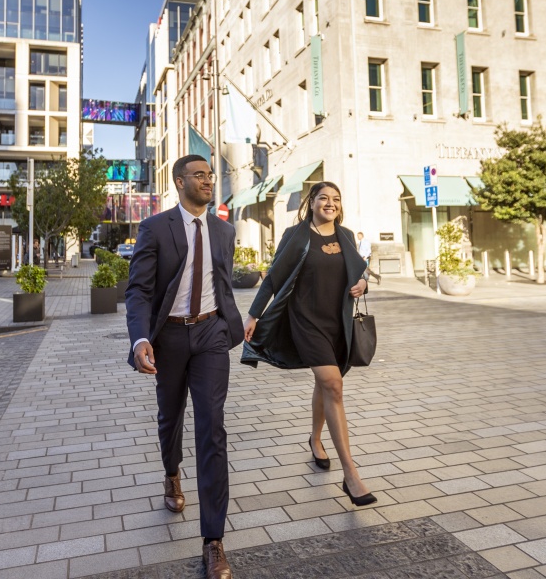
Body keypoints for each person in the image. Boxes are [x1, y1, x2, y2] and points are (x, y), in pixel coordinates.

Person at [125, 154, 243, 579]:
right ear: (179, 182)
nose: (208, 180)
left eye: (210, 175)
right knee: (169, 418)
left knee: (212, 427)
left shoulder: (224, 230)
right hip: (169, 337)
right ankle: (172, 473)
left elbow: (223, 285)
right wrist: (140, 339)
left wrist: (238, 322)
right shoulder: (156, 228)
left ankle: (214, 541)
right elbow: (138, 290)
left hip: (211, 335)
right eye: (199, 175)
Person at [242, 182, 377, 507]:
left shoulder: (345, 235)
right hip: (306, 321)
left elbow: (361, 272)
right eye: (323, 198)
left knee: (327, 383)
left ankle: (316, 439)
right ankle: (351, 476)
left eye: (335, 199)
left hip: (337, 322)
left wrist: (362, 284)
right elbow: (274, 276)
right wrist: (253, 314)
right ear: (311, 203)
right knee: (332, 383)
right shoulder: (297, 235)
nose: (329, 203)